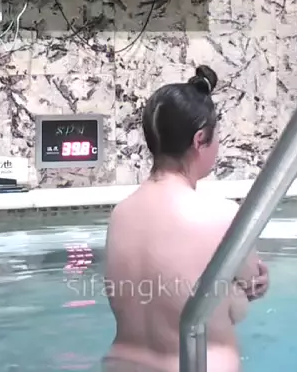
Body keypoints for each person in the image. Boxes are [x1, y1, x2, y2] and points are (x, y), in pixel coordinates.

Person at [102, 65, 270, 372]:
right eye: (216, 136)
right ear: (200, 139)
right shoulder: (222, 216)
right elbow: (245, 298)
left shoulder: (120, 215)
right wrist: (254, 285)